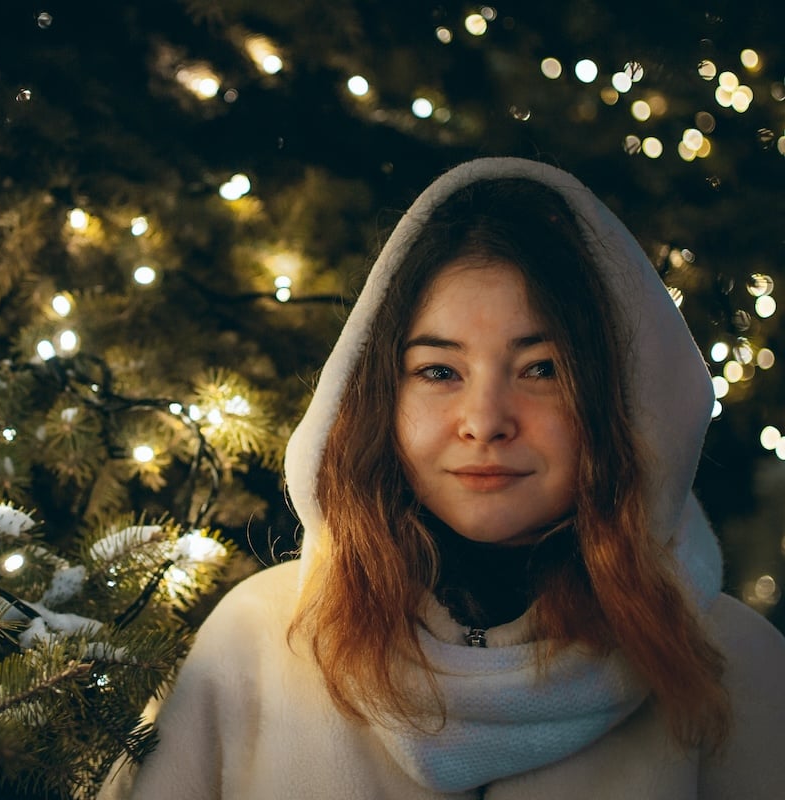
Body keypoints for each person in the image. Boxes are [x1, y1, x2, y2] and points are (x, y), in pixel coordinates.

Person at [118, 157, 785, 799]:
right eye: (439, 371)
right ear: (379, 396)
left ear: (620, 399)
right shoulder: (256, 643)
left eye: (543, 369)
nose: (485, 421)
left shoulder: (731, 664)